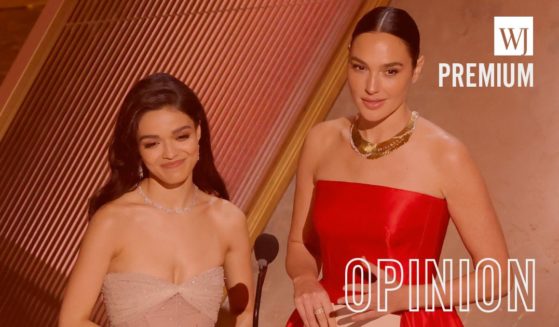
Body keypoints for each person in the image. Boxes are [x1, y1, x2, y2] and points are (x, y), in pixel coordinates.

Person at [285, 6, 509, 327]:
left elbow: (497, 275)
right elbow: (299, 246)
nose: (372, 86)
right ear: (347, 61)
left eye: (390, 71)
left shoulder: (446, 155)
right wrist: (304, 280)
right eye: (360, 67)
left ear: (416, 69)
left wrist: (403, 296)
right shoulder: (320, 140)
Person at [59, 73, 253, 326]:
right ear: (137, 149)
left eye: (181, 136)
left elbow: (244, 315)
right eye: (152, 144)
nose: (170, 153)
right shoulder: (112, 221)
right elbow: (72, 321)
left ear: (198, 132)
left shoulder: (228, 220)